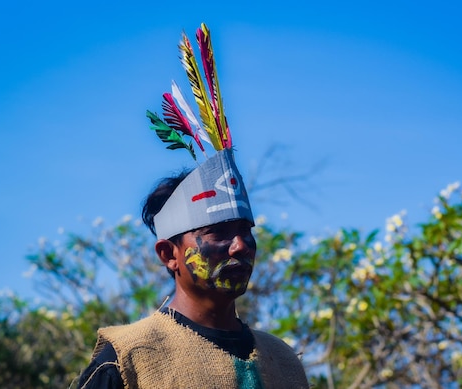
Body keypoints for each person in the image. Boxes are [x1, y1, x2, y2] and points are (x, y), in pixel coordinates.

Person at [77, 23, 309, 389]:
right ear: (169, 254)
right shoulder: (127, 360)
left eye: (246, 231)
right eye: (218, 232)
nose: (240, 246)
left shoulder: (284, 362)